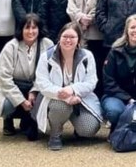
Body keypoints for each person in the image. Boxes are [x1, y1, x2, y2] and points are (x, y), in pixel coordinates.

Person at [33, 23, 103, 151]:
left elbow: (91, 81)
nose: (68, 40)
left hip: (80, 100)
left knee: (89, 129)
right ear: (59, 37)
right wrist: (63, 94)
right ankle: (55, 134)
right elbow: (42, 83)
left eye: (72, 37)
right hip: (55, 99)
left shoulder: (87, 56)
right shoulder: (46, 56)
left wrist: (73, 90)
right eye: (65, 36)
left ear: (79, 40)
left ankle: (78, 129)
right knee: (61, 106)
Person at [0, 13, 54, 140]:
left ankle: (28, 119)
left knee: (47, 100)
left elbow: (49, 73)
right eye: (27, 28)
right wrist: (21, 101)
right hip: (12, 86)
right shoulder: (10, 47)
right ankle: (7, 119)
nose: (31, 31)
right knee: (7, 105)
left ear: (39, 29)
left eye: (34, 28)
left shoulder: (47, 44)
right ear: (21, 29)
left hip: (36, 86)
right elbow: (4, 78)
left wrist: (35, 91)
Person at [66, 0, 114, 98]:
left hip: (98, 35)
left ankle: (98, 99)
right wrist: (79, 17)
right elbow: (70, 3)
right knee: (82, 69)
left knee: (98, 69)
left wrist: (90, 18)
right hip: (80, 33)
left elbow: (105, 4)